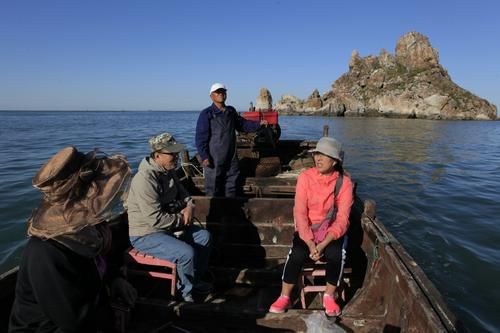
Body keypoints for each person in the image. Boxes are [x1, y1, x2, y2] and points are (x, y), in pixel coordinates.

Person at [9, 146, 137, 333]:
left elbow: (98, 262)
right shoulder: (46, 252)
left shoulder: (86, 230)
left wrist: (114, 279)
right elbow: (75, 321)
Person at [268, 136, 354, 317]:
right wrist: (310, 243)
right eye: (317, 154)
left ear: (335, 161)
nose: (318, 158)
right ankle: (285, 296)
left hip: (331, 232)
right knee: (297, 253)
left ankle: (329, 296)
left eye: (324, 155)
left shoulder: (344, 183)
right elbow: (300, 213)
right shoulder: (305, 178)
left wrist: (323, 244)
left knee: (336, 253)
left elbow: (343, 219)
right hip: (308, 230)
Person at [126, 132, 212, 302]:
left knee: (204, 237)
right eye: (171, 154)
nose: (176, 156)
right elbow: (154, 219)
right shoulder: (144, 180)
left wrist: (189, 206)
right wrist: (181, 218)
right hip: (146, 234)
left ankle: (194, 281)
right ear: (157, 156)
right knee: (186, 253)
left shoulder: (168, 171)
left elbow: (185, 194)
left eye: (177, 152)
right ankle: (184, 293)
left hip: (169, 227)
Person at [195, 83, 268, 197]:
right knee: (213, 187)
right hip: (214, 157)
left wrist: (259, 124)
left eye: (223, 92)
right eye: (218, 92)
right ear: (211, 96)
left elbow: (243, 124)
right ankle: (214, 212)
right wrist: (204, 156)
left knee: (232, 184)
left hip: (231, 156)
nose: (221, 94)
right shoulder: (207, 114)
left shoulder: (230, 111)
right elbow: (200, 137)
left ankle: (230, 210)